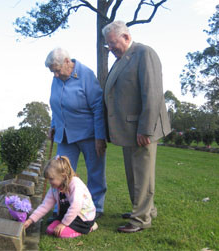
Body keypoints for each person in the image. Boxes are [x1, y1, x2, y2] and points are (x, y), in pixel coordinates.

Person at [101, 21, 171, 233]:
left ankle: (141, 219)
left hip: (141, 130)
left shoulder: (144, 53)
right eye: (108, 46)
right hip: (127, 130)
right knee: (134, 175)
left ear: (126, 37)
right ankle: (144, 210)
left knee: (143, 175)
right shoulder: (121, 59)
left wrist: (146, 128)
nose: (111, 49)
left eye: (113, 44)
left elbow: (152, 93)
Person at [45, 47, 107, 220]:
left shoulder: (86, 74)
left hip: (88, 134)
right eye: (52, 72)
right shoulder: (56, 79)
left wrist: (99, 137)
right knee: (59, 173)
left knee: (95, 172)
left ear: (67, 62)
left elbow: (98, 107)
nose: (55, 75)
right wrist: (53, 125)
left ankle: (95, 209)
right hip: (65, 135)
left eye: (56, 70)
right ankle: (60, 209)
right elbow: (55, 105)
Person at [24, 155, 98, 238]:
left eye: (51, 179)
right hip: (68, 215)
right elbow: (45, 206)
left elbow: (75, 206)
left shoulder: (75, 185)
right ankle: (66, 224)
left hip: (82, 218)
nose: (49, 182)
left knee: (61, 233)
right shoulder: (54, 188)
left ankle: (89, 228)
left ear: (63, 176)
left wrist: (63, 224)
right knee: (50, 230)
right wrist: (30, 220)